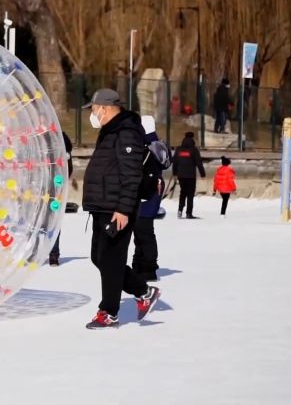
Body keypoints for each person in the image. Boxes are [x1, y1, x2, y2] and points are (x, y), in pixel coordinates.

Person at [81, 89, 161, 329]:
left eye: (94, 109)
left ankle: (109, 311)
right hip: (103, 205)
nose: (92, 114)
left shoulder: (126, 132)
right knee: (100, 257)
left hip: (116, 207)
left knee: (111, 259)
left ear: (104, 108)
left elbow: (131, 174)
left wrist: (124, 209)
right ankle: (144, 292)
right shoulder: (111, 130)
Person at [132, 115, 168, 282]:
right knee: (142, 231)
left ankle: (148, 267)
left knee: (144, 232)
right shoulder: (156, 145)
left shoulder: (147, 147)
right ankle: (140, 264)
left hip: (146, 195)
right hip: (151, 194)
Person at [48, 131, 74, 267]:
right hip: (38, 189)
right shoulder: (37, 137)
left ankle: (54, 254)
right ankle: (34, 253)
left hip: (55, 188)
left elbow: (68, 168)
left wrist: (60, 184)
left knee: (54, 222)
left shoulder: (61, 139)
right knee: (36, 223)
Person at [173, 131, 206, 219]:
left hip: (181, 175)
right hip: (190, 176)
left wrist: (175, 173)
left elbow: (175, 162)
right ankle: (189, 213)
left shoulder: (178, 149)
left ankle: (180, 211)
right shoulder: (194, 150)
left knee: (183, 193)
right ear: (192, 138)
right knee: (190, 195)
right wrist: (202, 174)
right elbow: (199, 163)